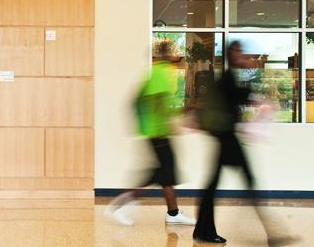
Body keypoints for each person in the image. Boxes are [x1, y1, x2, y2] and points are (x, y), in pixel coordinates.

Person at [193, 42, 298, 245]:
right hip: (226, 139)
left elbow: (238, 96)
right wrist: (256, 94)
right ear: (230, 54)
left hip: (225, 138)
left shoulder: (229, 77)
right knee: (246, 183)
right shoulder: (226, 79)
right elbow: (238, 95)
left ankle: (203, 230)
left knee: (213, 186)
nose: (241, 55)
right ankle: (273, 234)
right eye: (238, 52)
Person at [108, 41, 196, 226]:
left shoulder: (153, 73)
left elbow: (136, 100)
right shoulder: (161, 72)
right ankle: (120, 206)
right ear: (167, 54)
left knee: (166, 174)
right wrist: (172, 122)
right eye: (172, 52)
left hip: (154, 131)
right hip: (159, 133)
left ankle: (173, 213)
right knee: (160, 174)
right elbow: (159, 102)